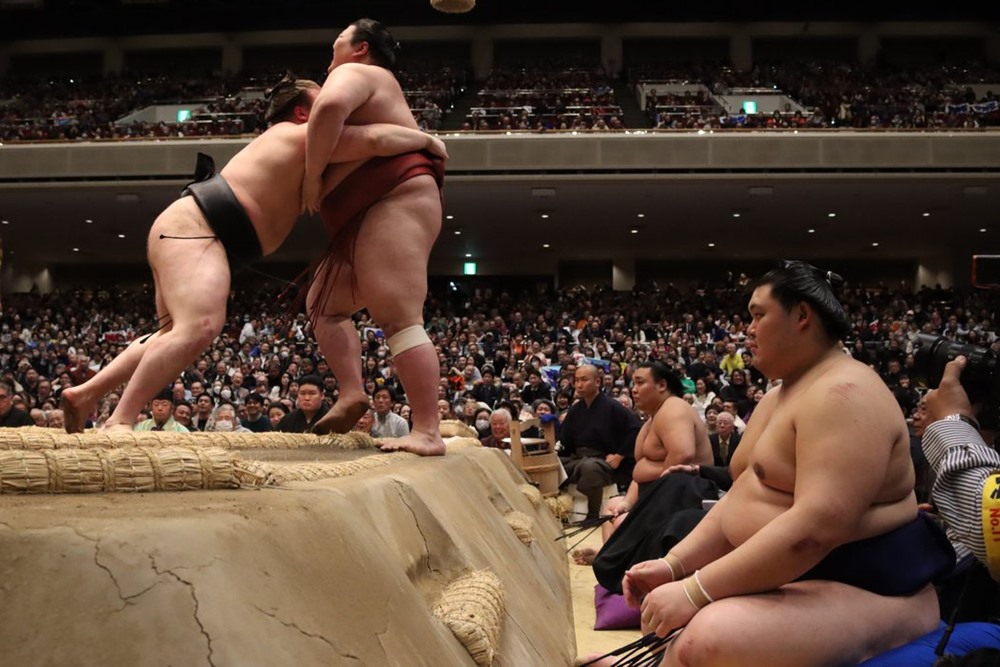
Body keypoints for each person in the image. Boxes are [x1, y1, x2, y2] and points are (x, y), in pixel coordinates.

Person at [59, 73, 447, 434]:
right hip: (200, 230)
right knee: (200, 326)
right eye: (323, 102)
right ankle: (120, 420)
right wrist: (427, 140)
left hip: (196, 232)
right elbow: (378, 140)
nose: (337, 108)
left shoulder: (299, 148)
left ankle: (87, 393)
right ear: (302, 113)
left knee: (171, 333)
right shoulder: (299, 136)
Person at [612, 261, 954, 667]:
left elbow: (815, 529)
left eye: (758, 315)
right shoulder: (780, 394)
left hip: (874, 588)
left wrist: (695, 590)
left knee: (706, 637)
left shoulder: (845, 393)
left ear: (802, 316)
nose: (748, 330)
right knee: (673, 619)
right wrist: (675, 566)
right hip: (803, 575)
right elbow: (741, 498)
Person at [299, 19, 447, 457]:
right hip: (368, 210)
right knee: (324, 306)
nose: (330, 58)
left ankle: (427, 431)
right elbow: (355, 135)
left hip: (392, 198)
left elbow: (326, 112)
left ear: (360, 48)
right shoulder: (369, 83)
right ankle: (351, 393)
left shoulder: (357, 72)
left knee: (398, 318)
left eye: (336, 45)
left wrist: (311, 177)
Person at [559, 364, 642, 518]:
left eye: (584, 380)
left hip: (604, 461)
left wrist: (619, 456)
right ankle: (560, 511)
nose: (579, 384)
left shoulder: (612, 406)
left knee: (590, 468)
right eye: (576, 380)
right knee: (553, 464)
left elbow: (636, 429)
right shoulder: (576, 409)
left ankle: (593, 513)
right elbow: (565, 439)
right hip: (578, 459)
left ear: (597, 382)